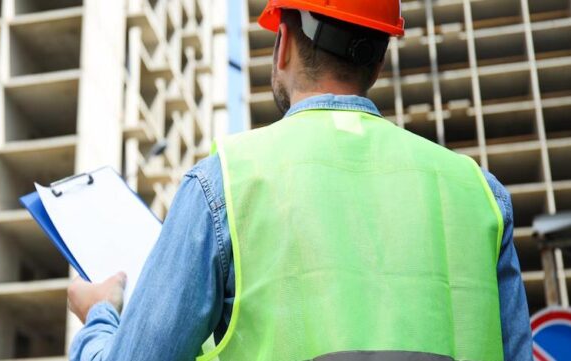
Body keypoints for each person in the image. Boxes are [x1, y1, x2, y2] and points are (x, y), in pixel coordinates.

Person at [66, 0, 533, 360]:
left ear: (283, 42)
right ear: (377, 63)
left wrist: (101, 315)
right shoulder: (479, 194)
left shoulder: (225, 181)